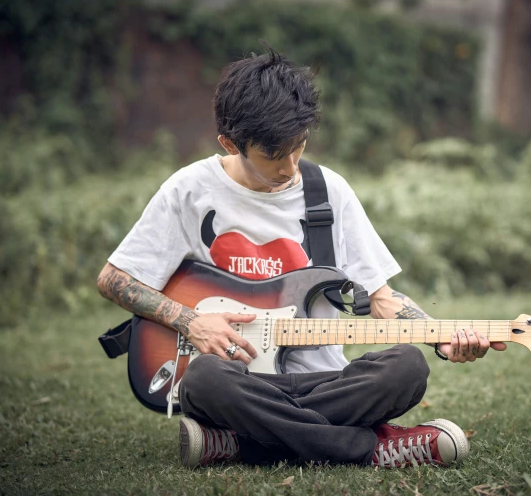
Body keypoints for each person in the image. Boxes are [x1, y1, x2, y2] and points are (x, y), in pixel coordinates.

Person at [96, 46, 505, 469]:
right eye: (274, 155)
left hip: (325, 382)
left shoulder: (328, 191)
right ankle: (370, 449)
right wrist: (191, 321)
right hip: (238, 381)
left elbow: (381, 298)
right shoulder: (189, 190)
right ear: (230, 143)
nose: (290, 167)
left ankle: (242, 444)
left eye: (299, 146)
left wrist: (441, 337)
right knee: (203, 380)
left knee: (406, 367)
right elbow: (113, 279)